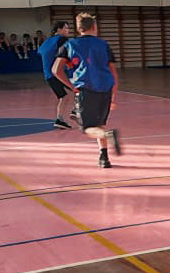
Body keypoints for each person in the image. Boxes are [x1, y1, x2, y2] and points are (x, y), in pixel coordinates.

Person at [52, 13, 121, 168]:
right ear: (94, 26)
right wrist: (113, 97)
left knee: (88, 128)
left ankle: (107, 135)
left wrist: (71, 86)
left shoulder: (69, 45)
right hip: (105, 89)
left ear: (78, 28)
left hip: (86, 89)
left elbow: (55, 70)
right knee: (99, 123)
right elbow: (113, 74)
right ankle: (104, 157)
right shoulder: (104, 45)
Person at [41, 19, 74, 129]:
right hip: (59, 73)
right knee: (79, 90)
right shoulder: (62, 39)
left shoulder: (47, 41)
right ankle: (76, 111)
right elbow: (64, 53)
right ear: (59, 29)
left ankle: (59, 119)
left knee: (63, 97)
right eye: (66, 28)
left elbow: (41, 53)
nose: (68, 30)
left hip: (48, 75)